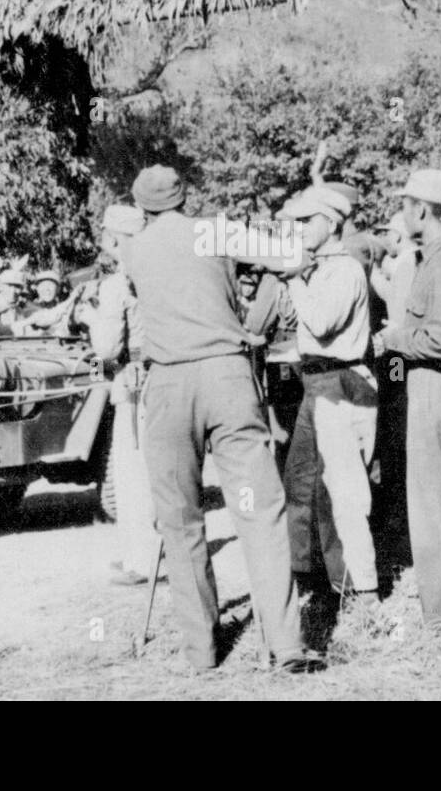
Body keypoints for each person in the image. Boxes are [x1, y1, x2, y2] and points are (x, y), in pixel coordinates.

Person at [123, 165, 312, 673]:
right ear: (185, 198)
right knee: (261, 509)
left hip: (168, 384)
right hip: (228, 378)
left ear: (142, 207)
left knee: (180, 518)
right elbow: (293, 256)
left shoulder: (134, 248)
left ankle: (201, 652)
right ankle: (287, 643)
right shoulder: (213, 230)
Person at [376, 169, 441, 634]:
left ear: (421, 209)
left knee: (440, 508)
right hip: (433, 391)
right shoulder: (434, 259)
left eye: (405, 204)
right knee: (434, 506)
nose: (402, 212)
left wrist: (396, 339)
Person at [279, 185, 379, 609]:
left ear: (332, 223)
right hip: (318, 383)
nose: (298, 229)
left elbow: (320, 323)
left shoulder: (345, 270)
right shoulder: (319, 268)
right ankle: (313, 576)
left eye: (306, 221)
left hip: (341, 384)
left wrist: (294, 281)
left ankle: (362, 587)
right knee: (302, 482)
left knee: (344, 489)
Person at [74, 204, 155, 587]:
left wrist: (89, 318)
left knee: (132, 473)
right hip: (165, 377)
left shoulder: (116, 285)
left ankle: (144, 560)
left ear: (113, 238)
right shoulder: (161, 275)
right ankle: (160, 550)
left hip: (133, 381)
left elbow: (107, 348)